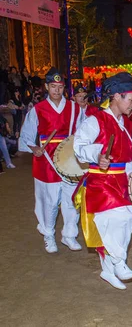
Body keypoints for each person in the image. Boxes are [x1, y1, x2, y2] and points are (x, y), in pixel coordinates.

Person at [73, 72, 132, 290]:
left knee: (127, 222)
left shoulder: (129, 126)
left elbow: (131, 158)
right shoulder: (95, 120)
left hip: (121, 182)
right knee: (115, 220)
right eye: (130, 99)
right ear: (117, 97)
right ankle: (119, 261)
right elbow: (78, 147)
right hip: (100, 182)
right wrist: (97, 155)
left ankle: (108, 270)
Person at [18, 67, 82, 253]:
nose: (56, 90)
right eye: (53, 86)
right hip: (46, 160)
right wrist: (35, 148)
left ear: (64, 88)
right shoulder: (37, 110)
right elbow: (27, 136)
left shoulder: (74, 108)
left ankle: (69, 235)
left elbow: (82, 134)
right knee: (50, 201)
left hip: (70, 160)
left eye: (60, 86)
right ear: (46, 87)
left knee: (71, 200)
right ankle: (48, 235)